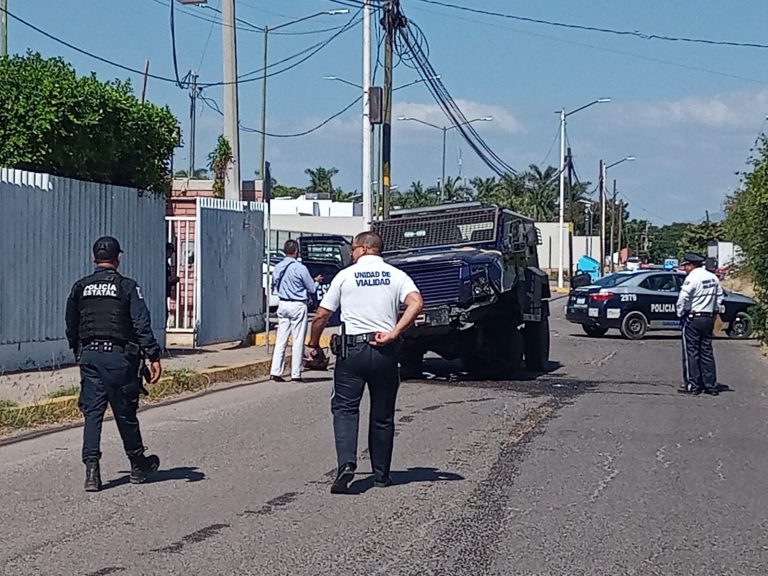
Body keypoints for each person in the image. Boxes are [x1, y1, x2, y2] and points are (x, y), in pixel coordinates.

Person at [307, 231, 423, 494]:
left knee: (345, 409)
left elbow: (322, 315)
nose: (351, 253)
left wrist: (312, 344)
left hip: (353, 352)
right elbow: (416, 303)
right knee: (383, 415)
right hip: (385, 350)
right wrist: (395, 331)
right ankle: (381, 474)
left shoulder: (345, 275)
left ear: (361, 248)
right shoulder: (396, 275)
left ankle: (347, 465)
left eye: (353, 249)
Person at [65, 236, 164, 492]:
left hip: (90, 357)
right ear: (118, 258)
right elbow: (141, 324)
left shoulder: (81, 287)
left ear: (93, 257)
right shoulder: (127, 287)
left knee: (92, 414)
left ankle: (92, 472)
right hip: (119, 359)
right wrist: (153, 355)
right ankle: (137, 464)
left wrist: (79, 352)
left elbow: (71, 324)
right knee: (125, 414)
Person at [269, 239, 323, 382]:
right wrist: (316, 281)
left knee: (281, 340)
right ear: (296, 252)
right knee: (298, 340)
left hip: (283, 304)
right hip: (298, 305)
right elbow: (311, 288)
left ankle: (275, 371)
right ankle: (295, 373)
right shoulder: (300, 268)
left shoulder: (278, 267)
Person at [676, 251, 724, 396]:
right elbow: (720, 296)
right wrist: (715, 310)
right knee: (707, 352)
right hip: (708, 318)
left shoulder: (693, 278)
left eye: (686, 266)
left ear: (691, 265)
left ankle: (693, 385)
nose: (684, 268)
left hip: (693, 318)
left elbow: (683, 297)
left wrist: (680, 312)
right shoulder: (713, 278)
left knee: (691, 352)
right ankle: (710, 385)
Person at [166, 242, 180, 325]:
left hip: (166, 291)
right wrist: (172, 280)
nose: (171, 254)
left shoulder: (167, 263)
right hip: (163, 290)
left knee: (166, 312)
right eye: (170, 251)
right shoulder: (163, 263)